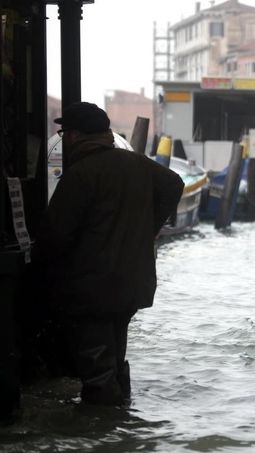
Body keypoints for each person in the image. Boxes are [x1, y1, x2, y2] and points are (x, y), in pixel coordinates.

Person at [34, 102, 184, 405]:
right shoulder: (137, 164)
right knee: (115, 356)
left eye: (64, 133)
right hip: (131, 284)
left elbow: (54, 237)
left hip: (93, 287)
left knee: (97, 368)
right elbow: (174, 184)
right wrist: (150, 227)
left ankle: (103, 428)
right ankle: (122, 423)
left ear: (74, 136)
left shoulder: (81, 175)